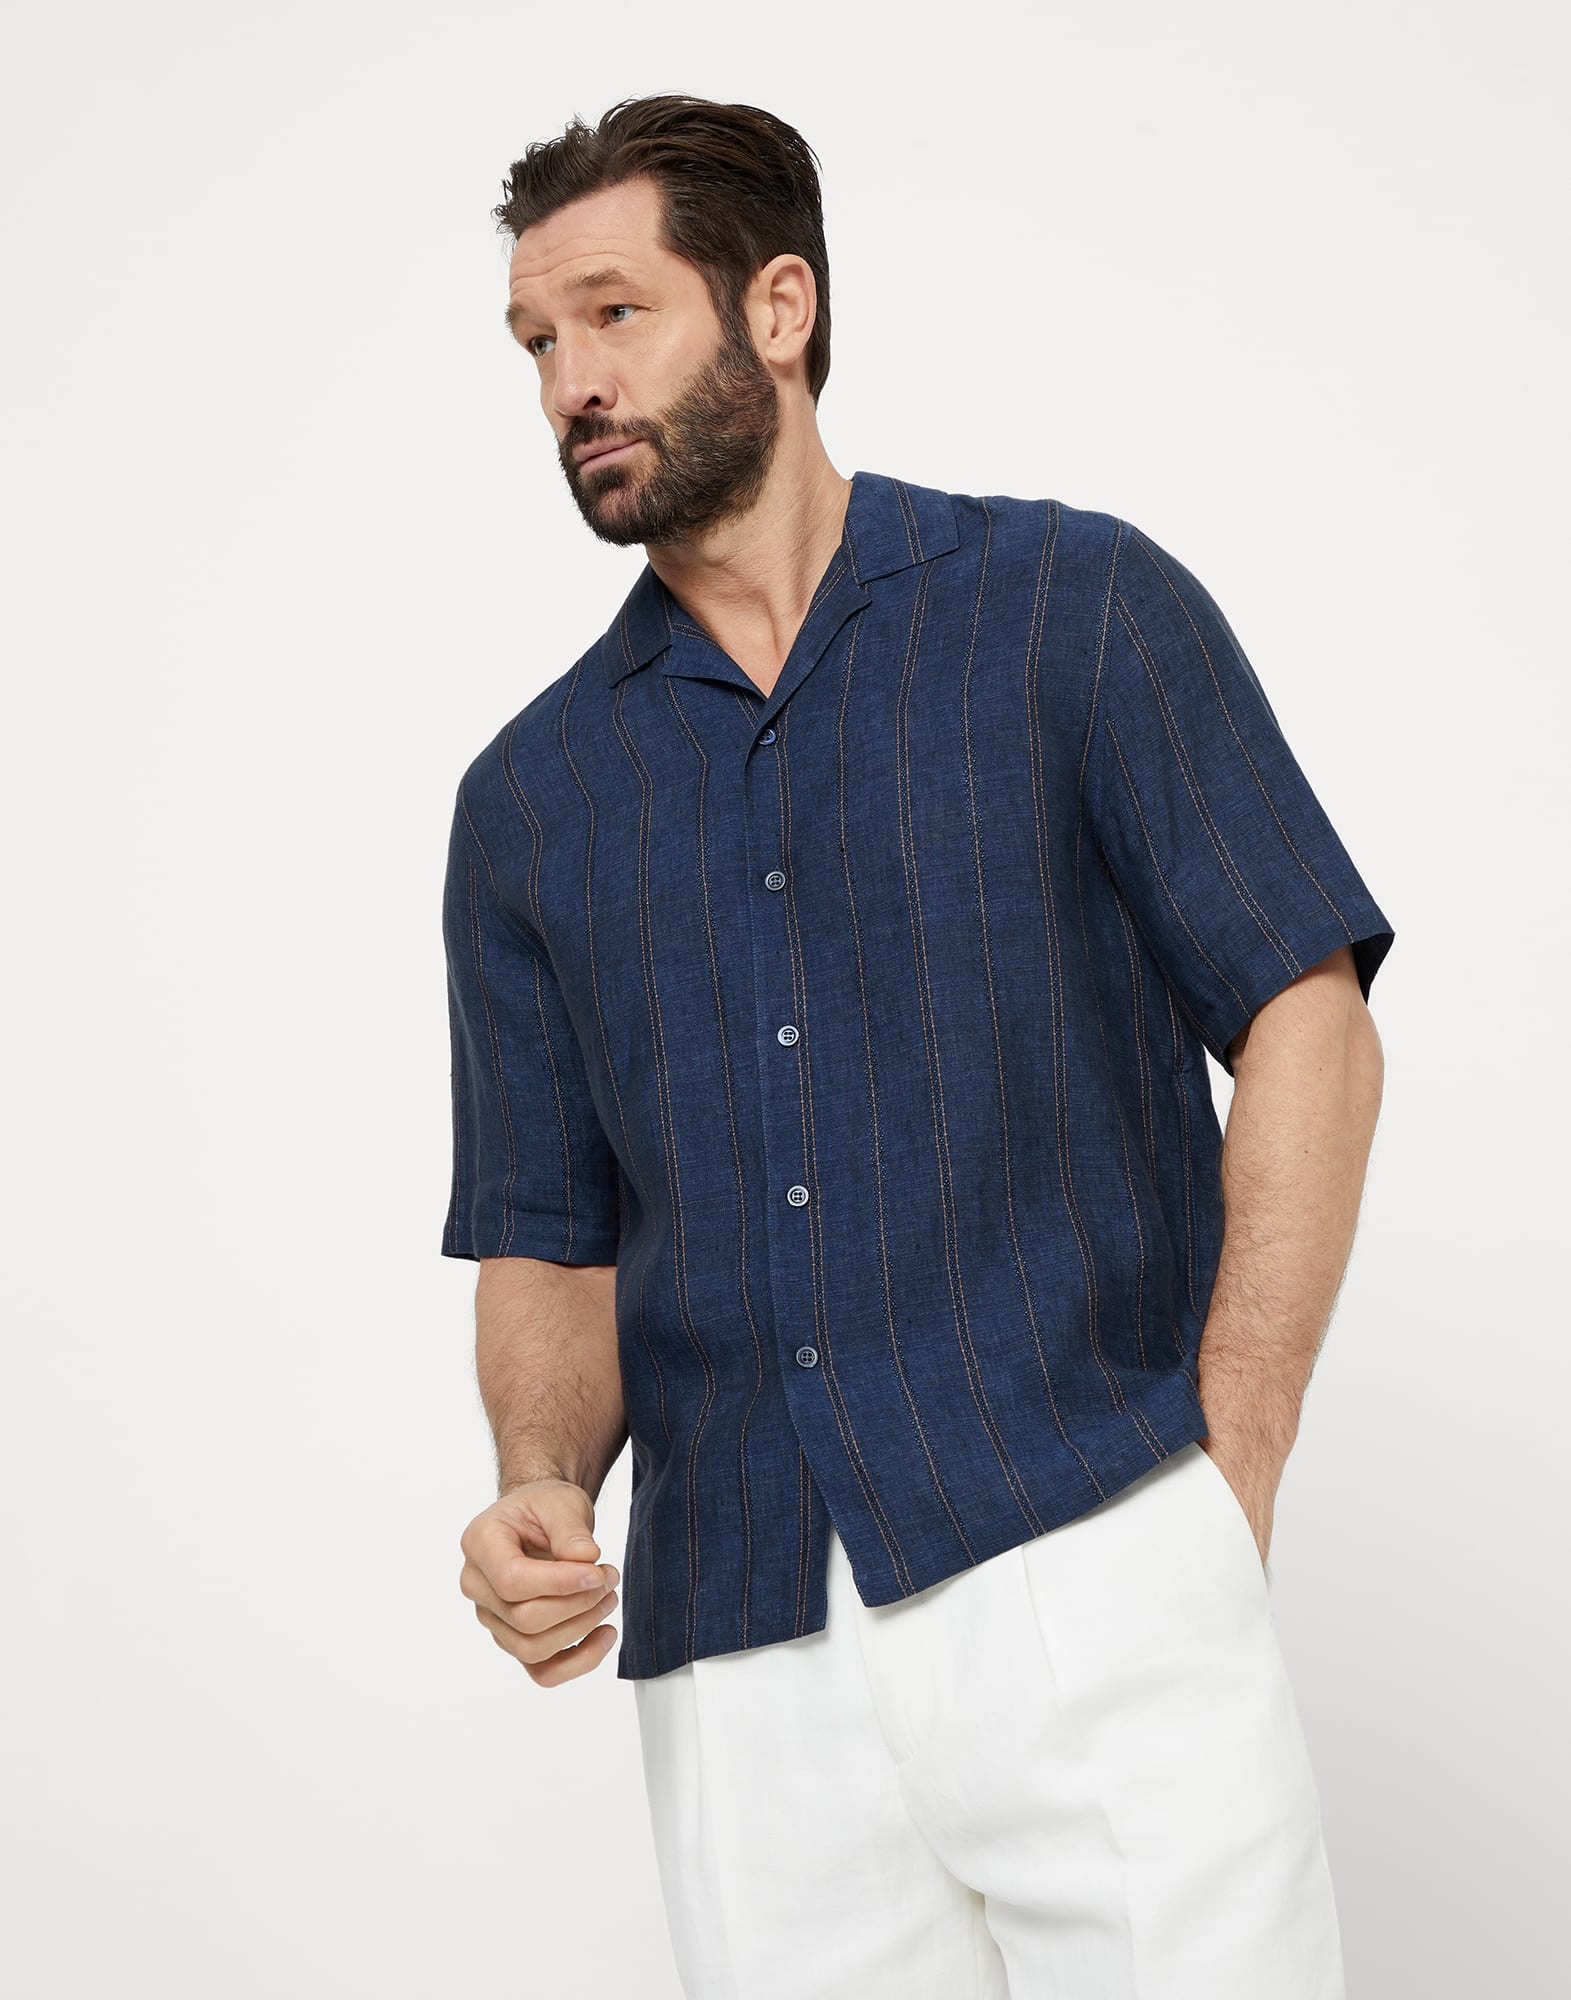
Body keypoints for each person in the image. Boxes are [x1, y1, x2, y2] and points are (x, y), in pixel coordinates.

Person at [442, 93, 1393, 2000]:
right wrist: (540, 1474)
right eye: (539, 342)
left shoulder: (1071, 611)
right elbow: (551, 1232)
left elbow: (1309, 1018)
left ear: (778, 308)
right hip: (741, 1650)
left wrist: (1233, 1460)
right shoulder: (531, 803)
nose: (571, 384)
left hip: (1088, 1542)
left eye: (615, 315)